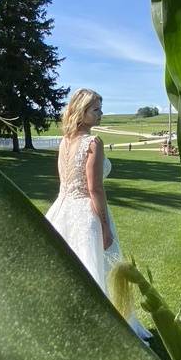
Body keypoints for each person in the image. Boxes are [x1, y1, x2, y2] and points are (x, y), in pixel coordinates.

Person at [45, 88, 151, 340]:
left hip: (62, 210)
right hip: (86, 213)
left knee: (71, 267)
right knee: (96, 268)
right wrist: (104, 226)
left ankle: (70, 322)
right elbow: (95, 189)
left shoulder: (65, 141)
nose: (101, 114)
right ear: (82, 112)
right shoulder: (92, 143)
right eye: (96, 110)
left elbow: (64, 182)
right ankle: (100, 327)